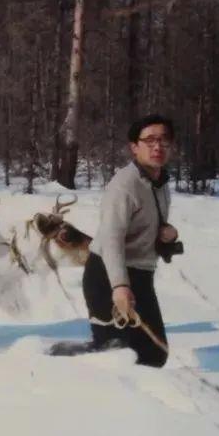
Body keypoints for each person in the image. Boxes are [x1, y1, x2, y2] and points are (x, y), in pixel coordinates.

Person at [83, 114, 180, 368]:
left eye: (164, 140)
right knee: (116, 357)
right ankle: (55, 367)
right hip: (108, 276)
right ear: (134, 147)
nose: (157, 146)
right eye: (149, 140)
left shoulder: (159, 180)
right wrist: (119, 287)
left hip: (141, 276)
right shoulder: (124, 185)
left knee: (154, 353)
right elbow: (111, 239)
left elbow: (144, 222)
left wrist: (165, 232)